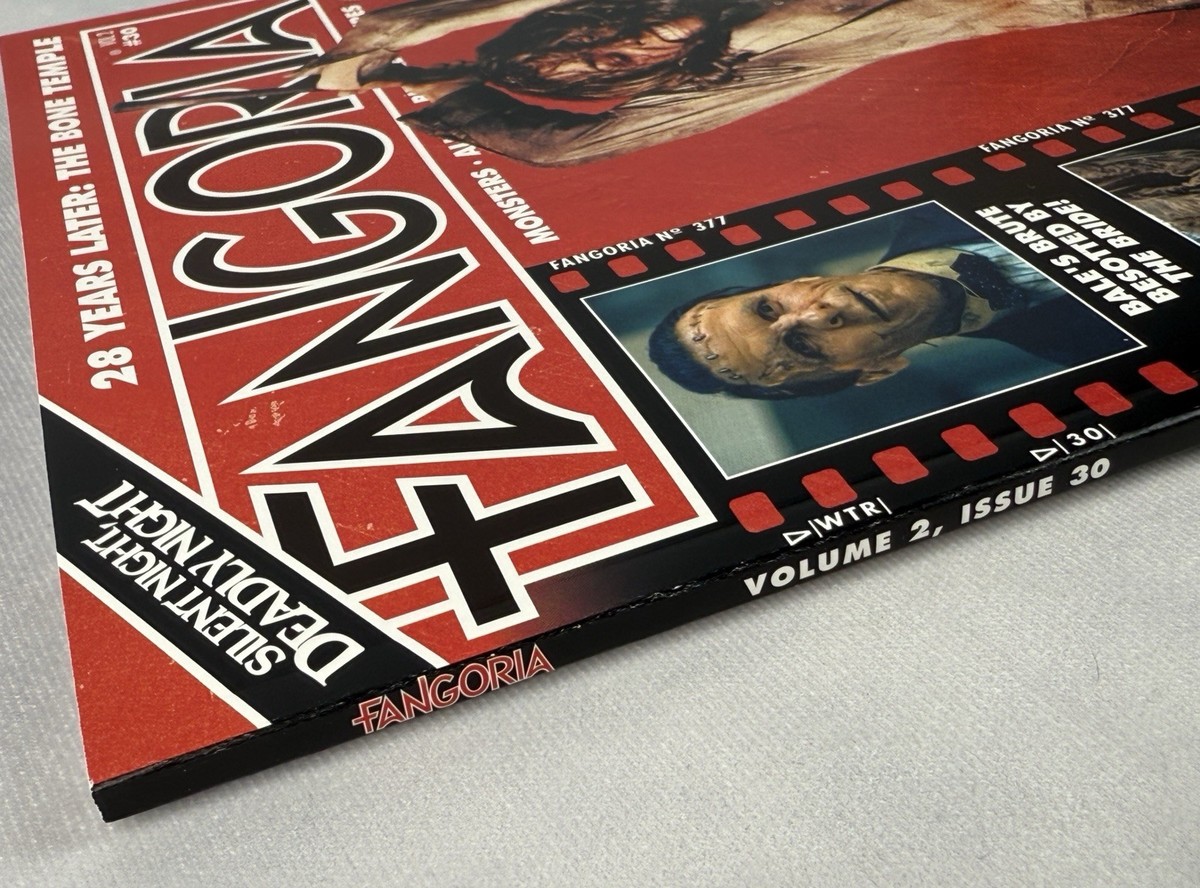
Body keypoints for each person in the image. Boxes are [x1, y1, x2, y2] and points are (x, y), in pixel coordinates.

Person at [306, 0, 1200, 166]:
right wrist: (451, 99)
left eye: (587, 40)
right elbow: (573, 147)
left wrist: (396, 40)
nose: (623, 50)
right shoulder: (753, 65)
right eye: (611, 70)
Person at [647, 212, 1132, 398]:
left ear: (797, 280)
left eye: (768, 309)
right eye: (803, 346)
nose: (820, 315)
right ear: (877, 371)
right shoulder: (1100, 352)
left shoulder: (936, 193)